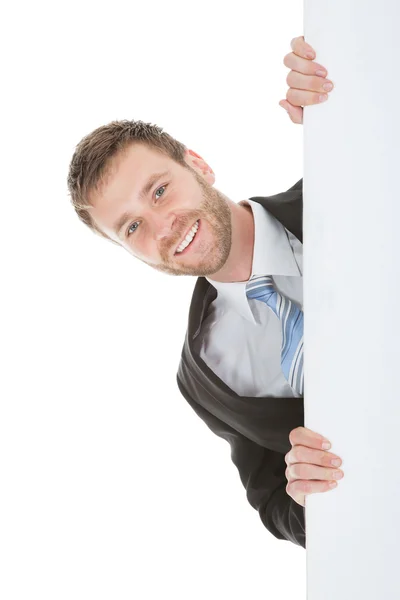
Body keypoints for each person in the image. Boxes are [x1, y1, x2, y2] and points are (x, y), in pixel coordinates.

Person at [67, 36, 343, 549]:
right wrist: (305, 498)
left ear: (198, 164)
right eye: (132, 228)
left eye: (159, 190)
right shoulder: (204, 376)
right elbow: (272, 504)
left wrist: (350, 111)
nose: (163, 228)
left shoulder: (344, 191)